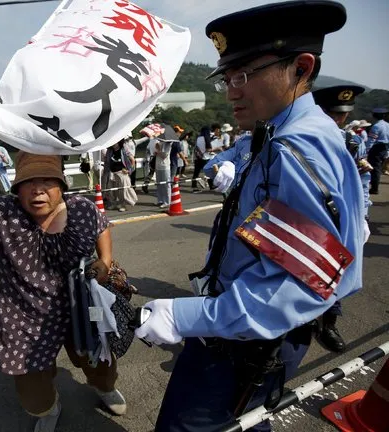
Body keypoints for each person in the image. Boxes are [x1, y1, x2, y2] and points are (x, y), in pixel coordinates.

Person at [135, 2, 364, 431]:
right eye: (226, 77)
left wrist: (184, 317)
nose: (231, 91)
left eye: (244, 75)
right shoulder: (282, 132)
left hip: (247, 335)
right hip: (249, 325)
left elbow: (297, 284)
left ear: (301, 67)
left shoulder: (297, 147)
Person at [0, 120, 128, 432]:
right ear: (16, 187)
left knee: (99, 360)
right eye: (29, 181)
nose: (38, 189)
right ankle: (48, 410)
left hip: (79, 305)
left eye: (47, 180)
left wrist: (105, 260)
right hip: (24, 315)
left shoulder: (80, 208)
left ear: (61, 185)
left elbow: (102, 224)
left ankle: (103, 387)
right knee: (33, 393)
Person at [312, 85, 371, 353]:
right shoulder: (306, 137)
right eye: (331, 113)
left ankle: (328, 323)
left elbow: (359, 182)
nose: (338, 119)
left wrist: (363, 215)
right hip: (310, 213)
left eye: (341, 114)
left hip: (341, 215)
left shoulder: (352, 142)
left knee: (337, 267)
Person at [105, 138, 137, 211]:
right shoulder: (109, 151)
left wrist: (129, 170)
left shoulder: (124, 149)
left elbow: (132, 160)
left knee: (123, 190)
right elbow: (107, 161)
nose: (113, 143)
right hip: (112, 172)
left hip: (122, 172)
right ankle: (113, 203)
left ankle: (124, 205)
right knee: (111, 190)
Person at [367, 107, 389, 194]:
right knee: (379, 167)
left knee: (375, 168)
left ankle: (374, 188)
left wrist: (366, 151)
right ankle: (375, 186)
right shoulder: (387, 125)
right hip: (385, 148)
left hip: (376, 148)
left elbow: (371, 140)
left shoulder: (376, 126)